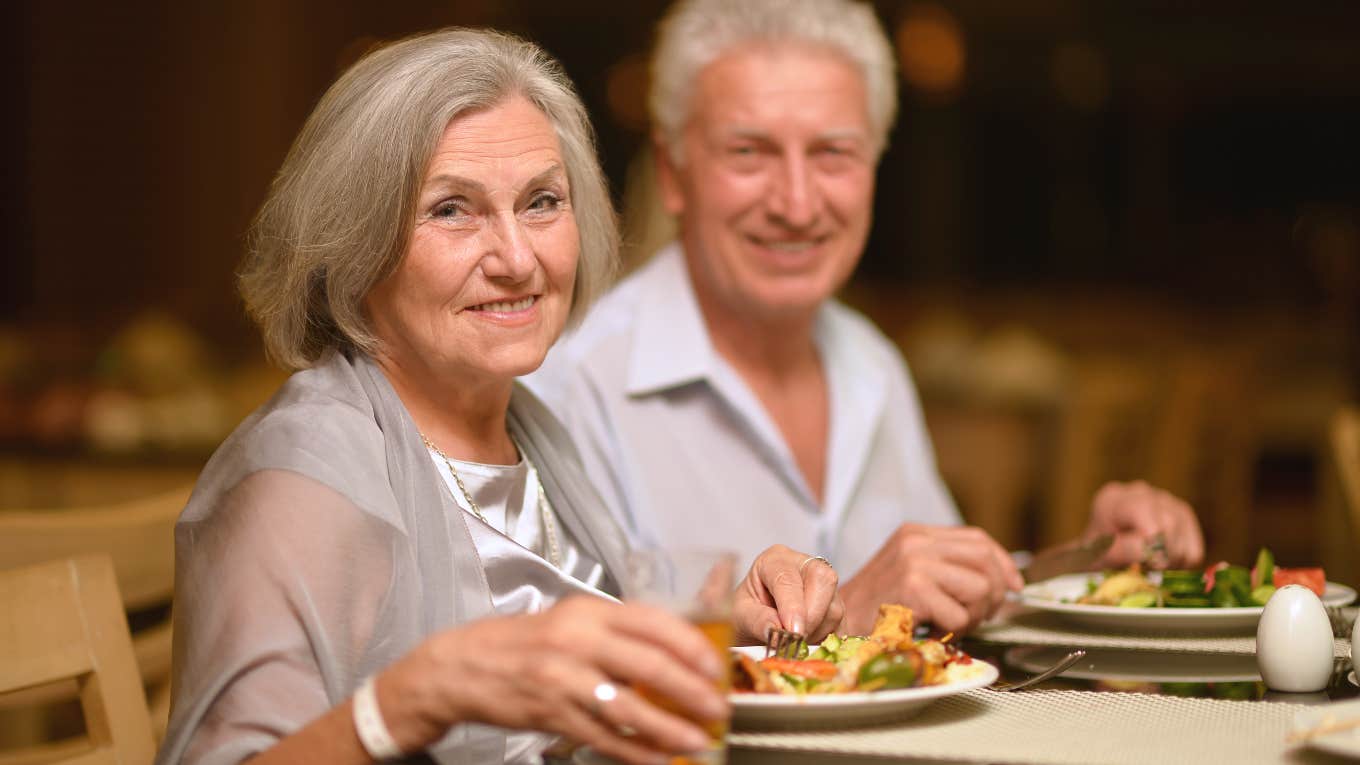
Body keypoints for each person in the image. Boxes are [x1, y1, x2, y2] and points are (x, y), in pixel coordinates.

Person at [156, 28, 843, 765]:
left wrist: (719, 628)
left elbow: (559, 705)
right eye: (453, 209)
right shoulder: (303, 481)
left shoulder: (529, 429)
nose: (518, 259)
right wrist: (409, 699)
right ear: (354, 247)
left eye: (542, 201)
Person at [525, 0, 1204, 636]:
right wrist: (849, 611)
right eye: (749, 152)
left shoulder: (870, 361)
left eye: (832, 153)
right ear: (673, 173)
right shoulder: (571, 385)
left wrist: (1086, 570)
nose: (795, 203)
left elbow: (937, 605)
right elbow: (567, 701)